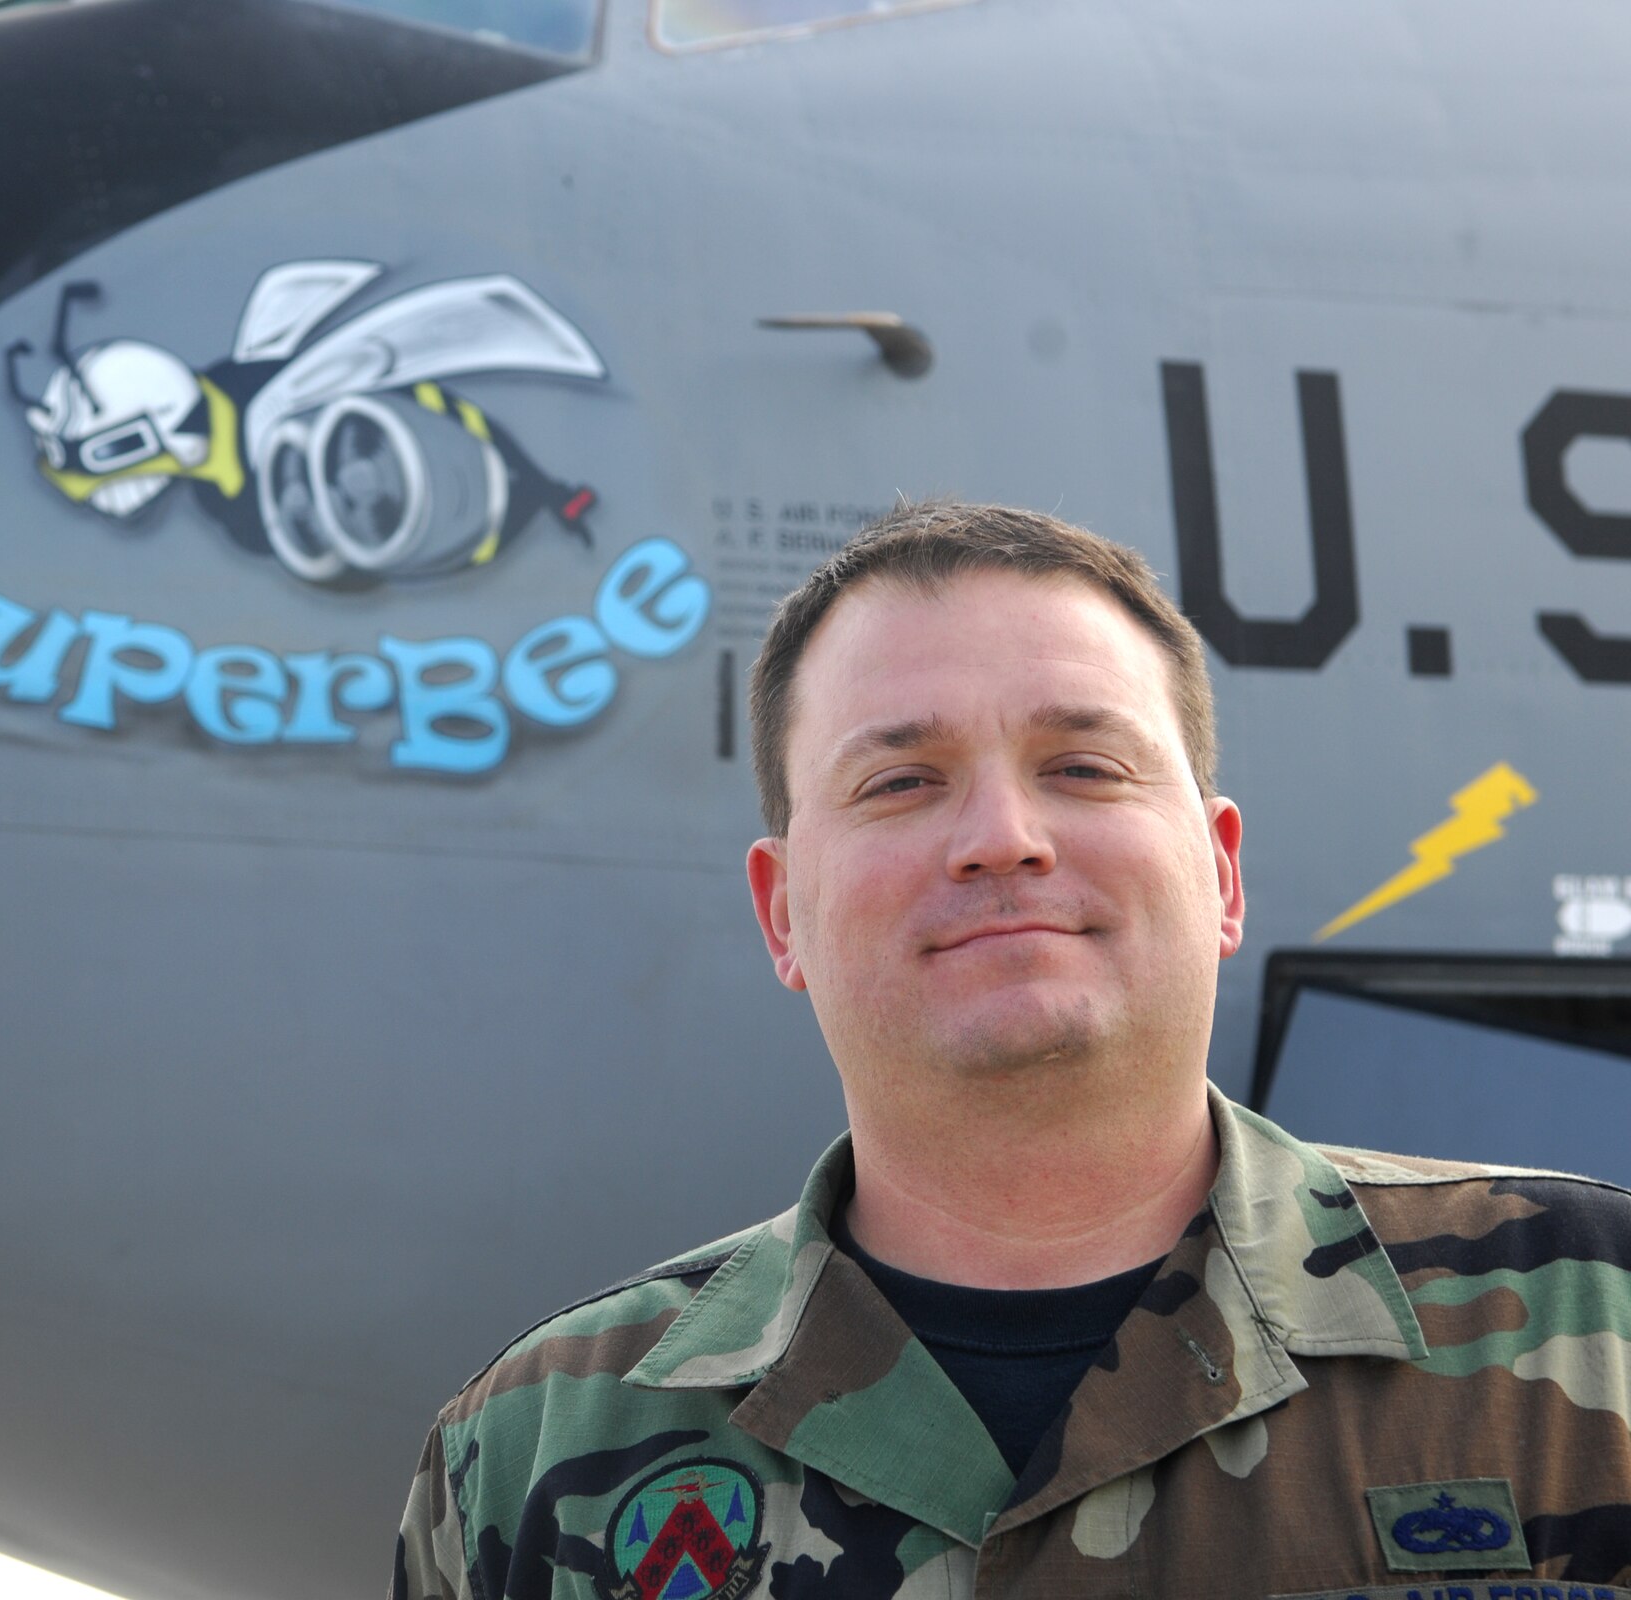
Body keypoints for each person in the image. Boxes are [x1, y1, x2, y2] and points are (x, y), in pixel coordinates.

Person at [391, 501, 1631, 1600]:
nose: (1000, 837)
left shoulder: (1596, 1325)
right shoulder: (535, 1458)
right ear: (783, 914)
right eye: (898, 782)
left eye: (1082, 766)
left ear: (1221, 871)